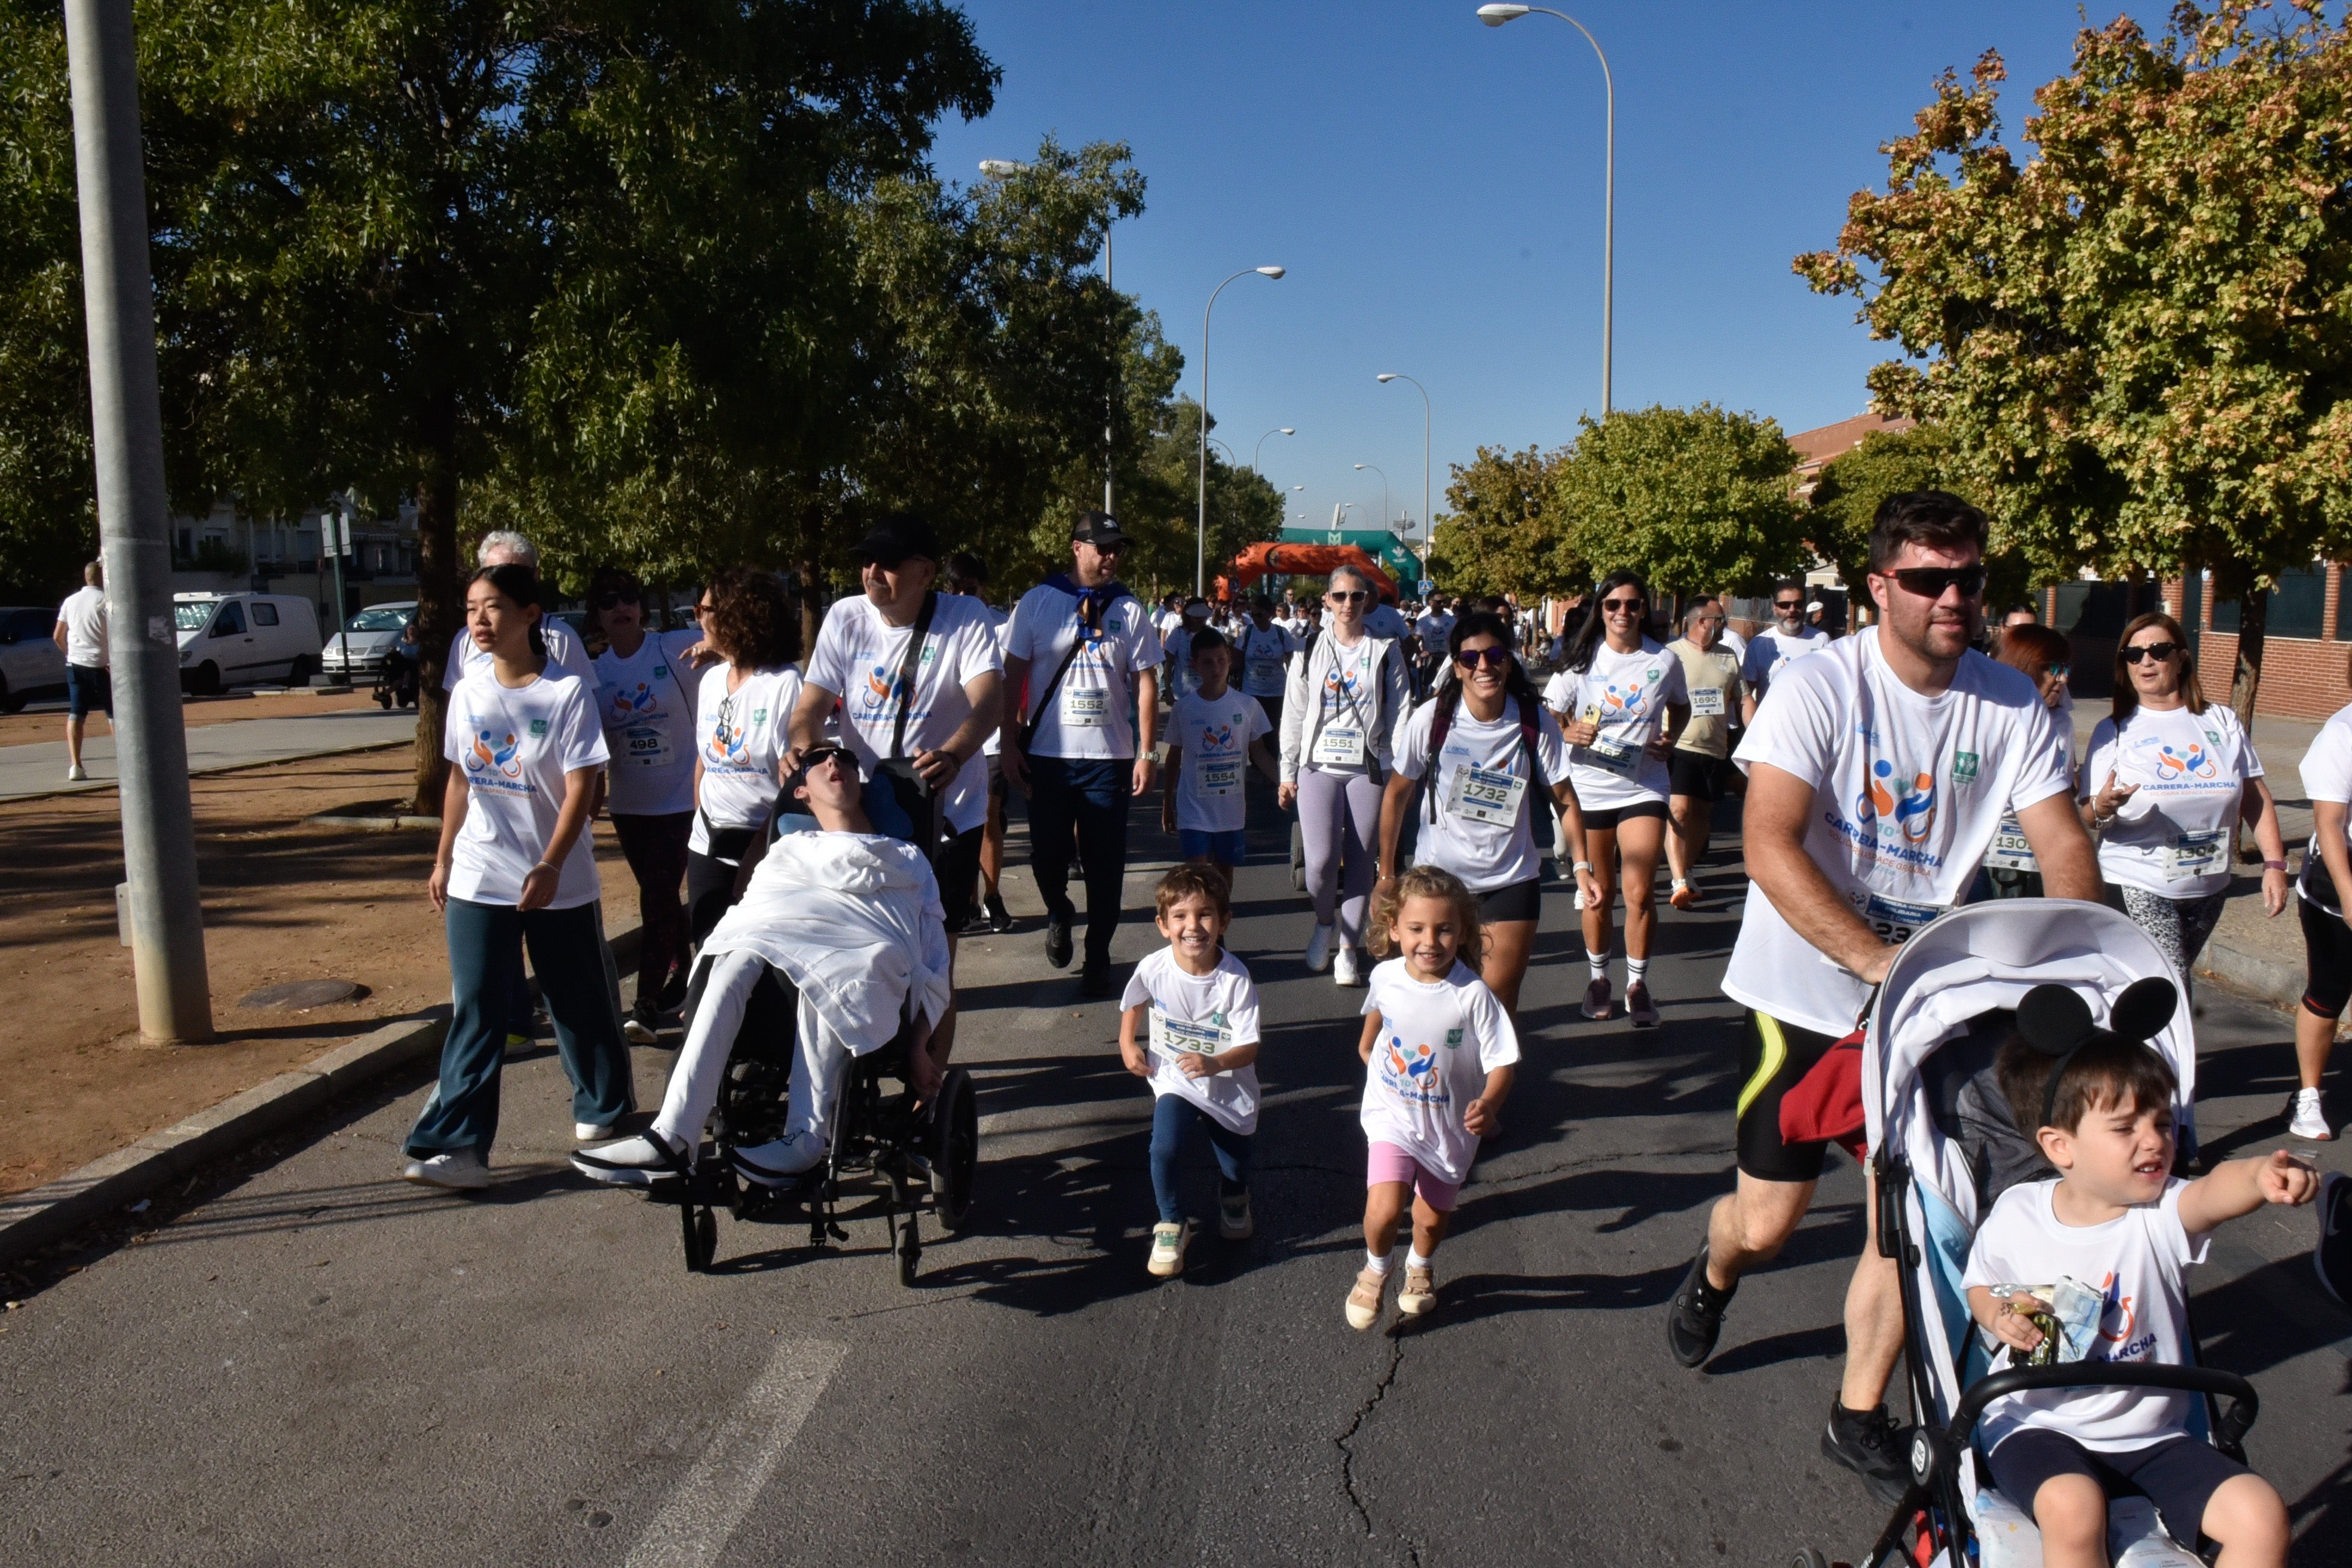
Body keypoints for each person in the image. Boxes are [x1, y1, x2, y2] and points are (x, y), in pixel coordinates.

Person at [1664, 491, 2102, 1505]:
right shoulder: (1819, 686)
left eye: (1969, 577)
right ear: (1878, 588)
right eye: (1927, 579)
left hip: (1922, 1014)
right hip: (1803, 993)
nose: (1954, 596)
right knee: (1769, 1221)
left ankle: (1855, 1411)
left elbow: (2063, 842)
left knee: (1903, 1221)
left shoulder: (2009, 701)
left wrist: (2088, 961)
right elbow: (1769, 836)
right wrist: (1869, 957)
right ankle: (1715, 1266)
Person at [1965, 1012, 2314, 1568]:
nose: (2154, 1141)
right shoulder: (2017, 1215)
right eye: (2126, 1128)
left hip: (2152, 1435)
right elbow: (1982, 1285)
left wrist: (2256, 1177)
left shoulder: (2161, 1214)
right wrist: (1998, 1314)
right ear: (2060, 1146)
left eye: (2164, 1124)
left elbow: (2212, 1193)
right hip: (2038, 1425)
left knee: (2261, 1513)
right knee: (2074, 1507)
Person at [572, 743, 953, 1184]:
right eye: (818, 762)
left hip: (865, 961)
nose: (834, 763)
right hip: (781, 971)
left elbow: (932, 959)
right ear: (801, 794)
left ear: (861, 786)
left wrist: (920, 1043)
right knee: (735, 953)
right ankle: (673, 1135)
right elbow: (752, 917)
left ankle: (807, 1137)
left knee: (832, 968)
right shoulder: (787, 852)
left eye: (846, 760)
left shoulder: (906, 857)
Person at [406, 564, 632, 1190]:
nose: (479, 619)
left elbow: (583, 788)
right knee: (478, 1006)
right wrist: (444, 856)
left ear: (532, 615)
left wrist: (552, 863)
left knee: (576, 996)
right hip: (481, 869)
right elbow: (458, 777)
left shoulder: (565, 693)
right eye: (473, 607)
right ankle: (457, 1145)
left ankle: (604, 1105)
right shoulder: (471, 687)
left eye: (495, 607)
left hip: (555, 873)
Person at [790, 514, 1002, 1079]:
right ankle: (847, 1079)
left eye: (886, 563)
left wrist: (955, 754)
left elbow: (989, 702)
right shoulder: (845, 618)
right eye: (865, 561)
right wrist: (806, 748)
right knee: (858, 952)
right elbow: (809, 707)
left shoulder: (965, 618)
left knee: (935, 964)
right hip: (869, 818)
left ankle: (925, 1094)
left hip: (947, 815)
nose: (871, 573)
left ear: (925, 572)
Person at [1382, 612, 1588, 1018]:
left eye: (1494, 655)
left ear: (1509, 661)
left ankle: (1489, 1081)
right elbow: (1396, 795)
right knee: (1438, 1001)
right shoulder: (1433, 719)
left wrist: (1582, 866)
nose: (1483, 666)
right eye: (1471, 659)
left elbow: (1565, 798)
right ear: (1457, 667)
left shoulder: (1534, 721)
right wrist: (1388, 874)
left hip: (1510, 880)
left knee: (1496, 1001)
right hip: (1439, 882)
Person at [1345, 865, 1519, 1330]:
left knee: (1429, 1221)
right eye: (1417, 928)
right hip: (1392, 1115)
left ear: (1462, 931)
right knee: (1383, 1209)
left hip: (1447, 1129)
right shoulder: (1385, 975)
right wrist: (1367, 1044)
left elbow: (1504, 1060)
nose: (1430, 941)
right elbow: (1379, 1008)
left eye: (1444, 930)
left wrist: (1490, 1103)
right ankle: (1376, 1268)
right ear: (1395, 928)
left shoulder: (1473, 995)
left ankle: (1419, 1264)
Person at [2080, 612, 2289, 999]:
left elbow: (2254, 797)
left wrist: (2275, 865)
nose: (2146, 661)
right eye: (2134, 653)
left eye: (2158, 651)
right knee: (2169, 984)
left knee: (2150, 988)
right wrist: (2103, 804)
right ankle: (2171, 1060)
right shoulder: (2114, 731)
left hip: (2210, 884)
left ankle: (2116, 1051)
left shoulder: (2220, 720)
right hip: (2139, 879)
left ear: (2182, 659)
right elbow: (2085, 816)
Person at [1001, 512, 1160, 996]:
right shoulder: (1038, 602)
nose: (1112, 557)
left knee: (1105, 864)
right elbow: (1012, 675)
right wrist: (1008, 742)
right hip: (1049, 756)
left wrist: (1147, 752)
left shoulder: (1129, 610)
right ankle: (1058, 909)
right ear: (1077, 548)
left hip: (1108, 760)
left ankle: (1098, 953)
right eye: (1103, 548)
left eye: (1118, 550)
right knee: (1047, 855)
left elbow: (1147, 682)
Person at [1544, 572, 1689, 1027]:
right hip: (1589, 789)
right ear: (1600, 610)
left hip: (1643, 785)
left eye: (1632, 604)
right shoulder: (1581, 661)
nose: (1623, 613)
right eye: (1613, 605)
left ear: (1644, 608)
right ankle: (1599, 978)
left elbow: (1681, 706)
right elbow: (1545, 715)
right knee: (1599, 896)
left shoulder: (1664, 660)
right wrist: (1567, 730)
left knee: (1641, 891)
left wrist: (1672, 738)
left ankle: (1638, 984)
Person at [1118, 863, 1262, 1277]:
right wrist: (1129, 1042)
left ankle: (1235, 1195)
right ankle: (1171, 1222)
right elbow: (1134, 1000)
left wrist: (1215, 1063)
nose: (1192, 926)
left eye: (1204, 915)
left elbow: (1250, 1046)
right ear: (1163, 925)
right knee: (1164, 1147)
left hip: (1227, 1085)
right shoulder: (1154, 967)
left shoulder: (1235, 980)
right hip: (1174, 1078)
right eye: (1180, 917)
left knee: (1235, 1162)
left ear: (1224, 921)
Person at [1281, 564, 1413, 987]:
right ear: (1326, 602)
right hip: (1317, 765)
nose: (1348, 604)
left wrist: (1401, 771)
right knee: (1319, 862)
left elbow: (1401, 713)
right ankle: (1324, 922)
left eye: (1356, 596)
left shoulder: (1386, 650)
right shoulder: (1308, 649)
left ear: (1368, 601)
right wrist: (1287, 771)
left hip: (1368, 768)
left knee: (1360, 862)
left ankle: (1348, 949)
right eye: (1339, 596)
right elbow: (1295, 713)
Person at [589, 566, 703, 1042]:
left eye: (629, 599)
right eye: (610, 602)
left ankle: (646, 1004)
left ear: (642, 608)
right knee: (660, 899)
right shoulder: (596, 673)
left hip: (681, 800)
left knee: (656, 899)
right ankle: (687, 974)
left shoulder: (673, 650)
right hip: (631, 805)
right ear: (598, 615)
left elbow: (725, 633)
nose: (622, 608)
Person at [687, 568, 803, 948]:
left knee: (757, 966)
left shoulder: (783, 684)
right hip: (708, 843)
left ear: (737, 617)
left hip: (766, 846)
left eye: (703, 608)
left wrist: (757, 854)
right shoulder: (709, 681)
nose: (696, 617)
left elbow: (795, 782)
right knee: (708, 957)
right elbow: (704, 760)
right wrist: (699, 824)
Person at [2288, 659, 2352, 1140]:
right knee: (2329, 993)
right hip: (2337, 883)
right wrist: (2350, 897)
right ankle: (2309, 1096)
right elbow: (2328, 824)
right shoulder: (2342, 732)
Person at [1162, 630, 1279, 878]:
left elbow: (1259, 752)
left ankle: (1222, 917)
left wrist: (1284, 782)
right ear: (1194, 664)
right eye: (1207, 662)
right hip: (1193, 810)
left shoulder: (1247, 705)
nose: (1216, 668)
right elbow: (1173, 757)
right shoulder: (1184, 709)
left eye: (1221, 660)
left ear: (1230, 660)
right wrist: (1167, 802)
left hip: (1231, 812)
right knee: (1199, 876)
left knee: (1224, 876)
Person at [943, 552, 1014, 935]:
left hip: (992, 741)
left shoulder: (1003, 627)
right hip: (955, 740)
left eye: (972, 589)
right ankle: (966, 902)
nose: (965, 595)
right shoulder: (940, 626)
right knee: (959, 826)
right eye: (956, 588)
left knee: (988, 820)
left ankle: (992, 895)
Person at [1979, 623, 2075, 902]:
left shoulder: (2063, 724)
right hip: (1988, 852)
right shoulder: (1988, 718)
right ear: (2022, 667)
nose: (2062, 680)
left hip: (2041, 846)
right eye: (2052, 668)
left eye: (2066, 669)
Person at [1661, 596, 1744, 912]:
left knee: (1701, 815)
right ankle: (1679, 881)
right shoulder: (1671, 656)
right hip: (1679, 745)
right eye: (1720, 619)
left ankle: (1689, 868)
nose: (1724, 625)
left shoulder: (1729, 658)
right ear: (1702, 622)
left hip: (1715, 748)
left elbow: (1743, 699)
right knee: (1679, 810)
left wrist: (1759, 729)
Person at [440, 531, 594, 691]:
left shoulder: (560, 637)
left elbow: (585, 700)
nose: (507, 585)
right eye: (496, 573)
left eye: (519, 575)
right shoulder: (465, 641)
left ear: (536, 576)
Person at [1739, 579, 1830, 721]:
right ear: (1775, 608)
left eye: (1798, 604)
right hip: (1772, 728)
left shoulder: (1822, 640)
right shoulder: (1759, 644)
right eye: (1785, 605)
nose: (1792, 610)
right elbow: (1746, 696)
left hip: (1811, 728)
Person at [53, 561, 108, 783]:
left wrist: (70, 653)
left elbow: (58, 636)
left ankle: (76, 765)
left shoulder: (70, 602)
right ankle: (126, 762)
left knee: (76, 713)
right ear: (103, 578)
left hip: (76, 664)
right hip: (102, 665)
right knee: (114, 714)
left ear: (86, 578)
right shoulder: (106, 601)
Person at [1234, 597, 1296, 735]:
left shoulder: (1281, 633)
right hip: (1252, 692)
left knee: (1273, 733)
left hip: (1276, 692)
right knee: (1252, 733)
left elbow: (1293, 661)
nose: (1256, 618)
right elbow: (1236, 661)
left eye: (1260, 615)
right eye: (1253, 615)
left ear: (1269, 614)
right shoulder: (1247, 633)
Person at [1161, 596, 1212, 701]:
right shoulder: (1178, 634)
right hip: (1182, 693)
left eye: (1202, 616)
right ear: (1188, 616)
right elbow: (1168, 664)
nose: (1200, 620)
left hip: (1206, 692)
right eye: (1196, 617)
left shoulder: (1210, 634)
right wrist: (1168, 691)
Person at [1413, 593, 1456, 698]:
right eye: (1439, 602)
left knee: (1445, 687)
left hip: (1447, 657)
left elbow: (1459, 637)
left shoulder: (1451, 620)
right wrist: (1419, 653)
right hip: (1431, 657)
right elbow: (1415, 640)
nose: (1442, 604)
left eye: (1443, 602)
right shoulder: (1423, 621)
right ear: (1431, 603)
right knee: (1429, 689)